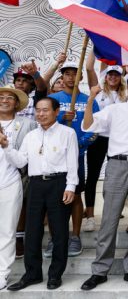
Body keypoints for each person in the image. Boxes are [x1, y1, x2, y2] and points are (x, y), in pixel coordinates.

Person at [80, 73, 128, 290]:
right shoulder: (114, 109)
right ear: (127, 87)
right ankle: (100, 270)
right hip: (117, 165)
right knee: (109, 219)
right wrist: (90, 101)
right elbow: (88, 126)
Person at [3, 97, 78, 291]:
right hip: (35, 184)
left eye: (45, 110)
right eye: (38, 110)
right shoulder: (30, 136)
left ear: (56, 111)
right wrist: (6, 146)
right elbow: (20, 162)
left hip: (59, 184)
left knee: (59, 231)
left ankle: (55, 275)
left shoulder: (67, 133)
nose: (41, 114)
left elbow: (73, 163)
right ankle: (32, 274)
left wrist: (71, 186)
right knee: (33, 231)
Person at [49, 61, 99, 257]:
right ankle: (54, 238)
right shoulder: (53, 99)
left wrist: (80, 144)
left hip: (76, 156)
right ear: (62, 77)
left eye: (74, 73)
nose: (71, 77)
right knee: (54, 198)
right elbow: (42, 123)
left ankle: (75, 236)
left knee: (76, 195)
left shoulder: (89, 100)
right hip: (54, 156)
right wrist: (60, 117)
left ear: (81, 77)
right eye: (67, 74)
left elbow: (94, 127)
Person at [84, 57, 127, 233]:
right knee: (93, 176)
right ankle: (90, 216)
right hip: (98, 138)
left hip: (118, 139)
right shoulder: (99, 91)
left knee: (115, 178)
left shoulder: (126, 95)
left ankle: (114, 211)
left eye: (116, 74)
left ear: (121, 77)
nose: (113, 77)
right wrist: (95, 44)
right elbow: (88, 68)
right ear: (106, 76)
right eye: (110, 74)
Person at [0, 86, 36, 289]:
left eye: (9, 98)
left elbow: (24, 160)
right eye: (1, 97)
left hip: (11, 181)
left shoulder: (27, 124)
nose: (4, 100)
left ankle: (2, 273)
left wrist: (5, 144)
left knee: (6, 230)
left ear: (16, 104)